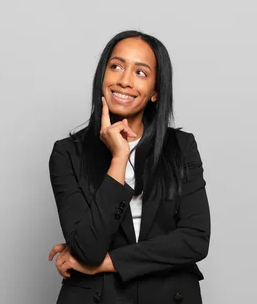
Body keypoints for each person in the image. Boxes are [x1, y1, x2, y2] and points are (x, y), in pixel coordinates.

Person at [47, 30, 211, 304]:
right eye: (116, 66)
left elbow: (195, 239)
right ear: (103, 76)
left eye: (140, 73)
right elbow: (87, 249)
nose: (124, 81)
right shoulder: (67, 153)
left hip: (168, 294)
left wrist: (107, 261)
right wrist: (119, 158)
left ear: (156, 92)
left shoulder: (181, 148)